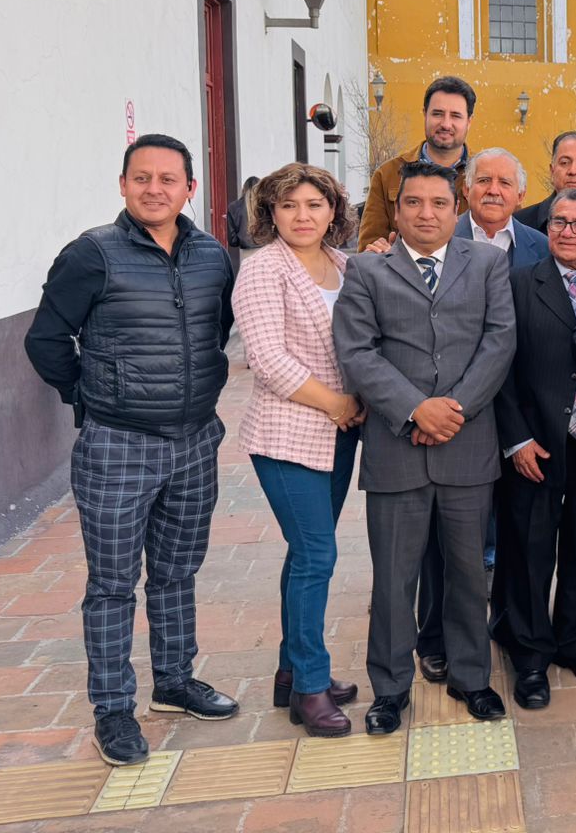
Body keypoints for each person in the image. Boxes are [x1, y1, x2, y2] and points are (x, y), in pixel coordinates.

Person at [24, 134, 239, 767]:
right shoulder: (92, 254)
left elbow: (215, 331)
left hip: (195, 440)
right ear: (122, 185)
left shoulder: (211, 256)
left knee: (177, 572)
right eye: (141, 178)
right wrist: (89, 399)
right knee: (113, 585)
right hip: (117, 445)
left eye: (168, 179)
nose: (154, 189)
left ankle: (173, 682)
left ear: (189, 190)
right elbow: (47, 340)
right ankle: (113, 710)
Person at [333, 161, 517, 733]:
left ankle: (471, 677)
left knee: (467, 571)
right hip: (397, 447)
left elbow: (500, 339)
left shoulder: (487, 262)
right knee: (394, 578)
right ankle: (390, 688)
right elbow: (358, 351)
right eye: (413, 203)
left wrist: (452, 409)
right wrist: (415, 408)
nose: (426, 214)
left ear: (456, 208)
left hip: (468, 444)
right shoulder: (367, 270)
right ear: (398, 209)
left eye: (438, 203)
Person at [232, 164, 365, 737]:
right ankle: (311, 689)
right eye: (289, 206)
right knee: (316, 555)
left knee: (305, 553)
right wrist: (335, 403)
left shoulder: (345, 266)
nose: (303, 216)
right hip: (288, 431)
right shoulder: (262, 271)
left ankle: (291, 671)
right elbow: (267, 359)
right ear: (271, 214)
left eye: (314, 204)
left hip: (341, 431)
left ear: (333, 211)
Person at [414, 148, 546, 681]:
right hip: (449, 410)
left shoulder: (540, 243)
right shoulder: (439, 234)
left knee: (511, 530)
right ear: (465, 190)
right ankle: (435, 636)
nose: (494, 189)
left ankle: (509, 628)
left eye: (505, 182)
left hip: (518, 412)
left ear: (521, 193)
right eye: (483, 180)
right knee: (441, 539)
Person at [490, 189, 576, 709]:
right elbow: (496, 367)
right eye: (558, 221)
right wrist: (515, 437)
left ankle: (573, 640)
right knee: (527, 549)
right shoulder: (517, 283)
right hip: (535, 440)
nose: (567, 231)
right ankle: (530, 651)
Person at [357, 76, 477, 247]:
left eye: (456, 116)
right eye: (438, 114)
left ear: (469, 121)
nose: (446, 124)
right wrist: (381, 253)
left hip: (471, 273)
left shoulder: (486, 176)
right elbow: (369, 245)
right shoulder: (387, 175)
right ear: (425, 114)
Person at [226, 175, 259, 250]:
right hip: (267, 252)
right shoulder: (267, 204)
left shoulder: (233, 207)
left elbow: (232, 240)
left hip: (246, 252)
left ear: (244, 189)